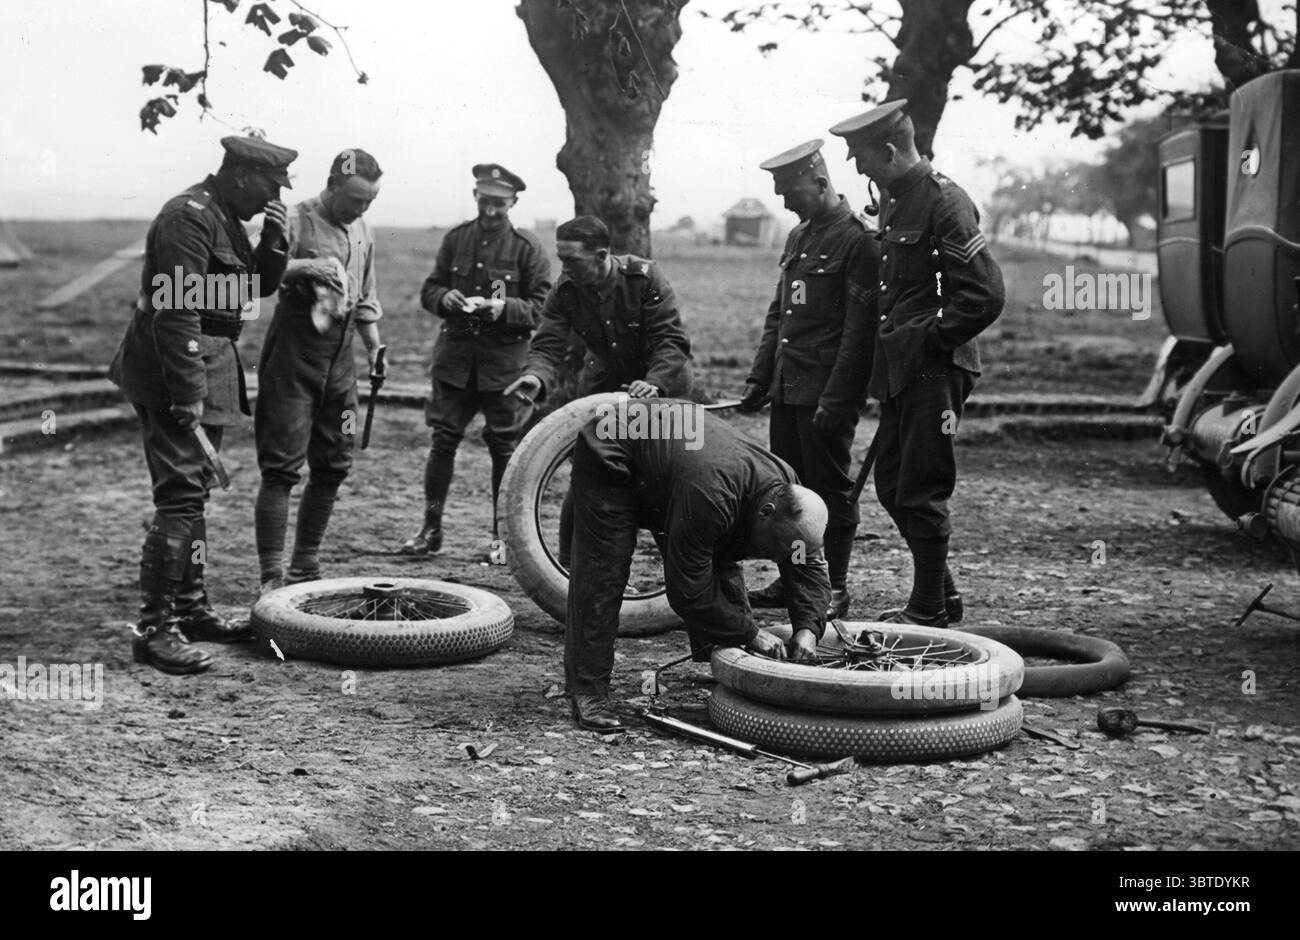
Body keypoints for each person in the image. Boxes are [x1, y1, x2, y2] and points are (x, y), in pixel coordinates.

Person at [109, 135, 296, 674]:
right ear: (240, 175)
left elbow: (250, 290)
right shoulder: (186, 218)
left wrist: (275, 244)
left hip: (209, 363)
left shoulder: (227, 216)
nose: (271, 199)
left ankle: (190, 610)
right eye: (268, 187)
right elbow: (176, 310)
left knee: (194, 496)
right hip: (174, 368)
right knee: (179, 498)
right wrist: (186, 392)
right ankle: (154, 630)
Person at [829, 99, 1005, 627]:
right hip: (905, 366)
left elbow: (985, 295)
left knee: (921, 488)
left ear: (888, 150)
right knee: (892, 484)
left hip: (935, 366)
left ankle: (928, 608)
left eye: (861, 157)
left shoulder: (944, 201)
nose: (856, 169)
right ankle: (942, 593)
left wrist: (931, 337)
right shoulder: (897, 199)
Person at [563, 400, 831, 732]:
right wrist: (751, 633)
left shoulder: (790, 497)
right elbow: (687, 590)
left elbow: (806, 567)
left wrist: (808, 629)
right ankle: (586, 690)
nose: (777, 560)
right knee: (605, 572)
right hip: (613, 447)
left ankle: (721, 662)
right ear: (766, 512)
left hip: (675, 457)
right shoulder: (712, 498)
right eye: (774, 549)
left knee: (719, 546)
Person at [740, 139, 880, 621]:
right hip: (787, 387)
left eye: (790, 192)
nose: (783, 201)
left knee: (830, 490)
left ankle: (834, 586)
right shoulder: (799, 236)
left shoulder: (859, 241)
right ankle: (793, 578)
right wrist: (761, 377)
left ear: (821, 183)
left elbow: (859, 333)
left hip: (825, 393)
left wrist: (837, 400)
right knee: (789, 490)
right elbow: (779, 316)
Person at [504, 215, 694, 566]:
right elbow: (547, 345)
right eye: (561, 259)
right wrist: (536, 377)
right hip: (604, 386)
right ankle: (568, 569)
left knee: (664, 483)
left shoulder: (645, 278)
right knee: (587, 476)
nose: (565, 268)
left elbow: (671, 341)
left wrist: (653, 382)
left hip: (661, 389)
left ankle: (684, 572)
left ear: (602, 254)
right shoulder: (565, 289)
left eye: (572, 260)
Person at [402, 164, 552, 555]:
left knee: (504, 449)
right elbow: (430, 288)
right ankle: (430, 530)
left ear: (513, 203)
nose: (490, 211)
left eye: (499, 204)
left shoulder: (527, 247)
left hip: (503, 367)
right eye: (485, 201)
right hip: (455, 362)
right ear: (475, 196)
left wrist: (503, 309)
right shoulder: (457, 239)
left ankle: (502, 541)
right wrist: (443, 298)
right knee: (443, 442)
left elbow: (542, 307)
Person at [253, 148, 384, 594]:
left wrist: (374, 346)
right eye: (354, 200)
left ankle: (305, 565)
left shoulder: (364, 230)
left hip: (340, 360)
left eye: (369, 202)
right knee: (282, 466)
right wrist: (306, 266)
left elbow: (365, 295)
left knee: (332, 462)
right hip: (293, 355)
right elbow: (260, 276)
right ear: (331, 184)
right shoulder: (294, 218)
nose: (360, 209)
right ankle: (272, 576)